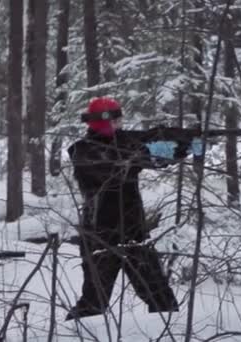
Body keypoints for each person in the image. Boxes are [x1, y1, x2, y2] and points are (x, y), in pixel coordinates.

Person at [65, 97, 203, 320]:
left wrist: (184, 145)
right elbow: (118, 166)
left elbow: (153, 154)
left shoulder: (126, 141)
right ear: (102, 122)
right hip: (100, 236)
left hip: (134, 233)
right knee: (94, 303)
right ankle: (73, 334)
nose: (119, 125)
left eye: (120, 121)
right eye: (115, 121)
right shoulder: (83, 151)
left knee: (161, 298)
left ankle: (167, 333)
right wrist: (149, 153)